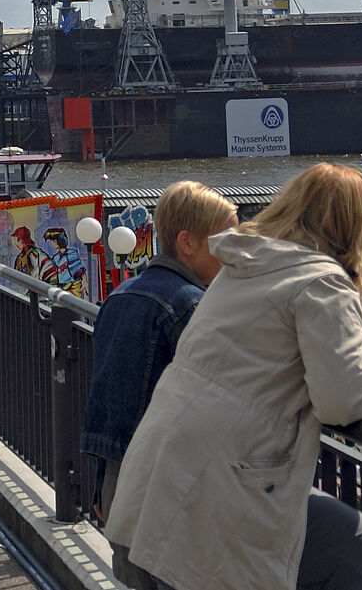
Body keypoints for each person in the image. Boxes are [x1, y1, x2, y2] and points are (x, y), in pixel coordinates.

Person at [106, 162, 362, 590]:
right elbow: (342, 397)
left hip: (162, 470)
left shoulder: (245, 264)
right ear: (353, 225)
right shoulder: (322, 283)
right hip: (223, 489)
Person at [80, 182, 236, 587]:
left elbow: (106, 400)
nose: (236, 251)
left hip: (120, 482)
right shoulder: (192, 306)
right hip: (168, 490)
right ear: (188, 242)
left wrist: (100, 485)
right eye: (227, 238)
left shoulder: (120, 296)